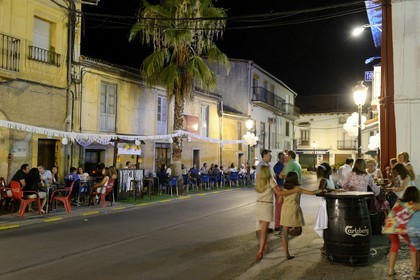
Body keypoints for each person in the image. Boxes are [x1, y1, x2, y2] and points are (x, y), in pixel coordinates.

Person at [278, 171, 321, 260]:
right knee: (297, 230)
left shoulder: (284, 188)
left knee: (284, 232)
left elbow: (279, 201)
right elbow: (312, 193)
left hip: (285, 209)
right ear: (295, 179)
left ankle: (286, 253)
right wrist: (322, 190)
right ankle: (288, 248)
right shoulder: (298, 188)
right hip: (294, 209)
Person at [384, 186, 419, 278]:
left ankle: (390, 270)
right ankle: (415, 270)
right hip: (402, 226)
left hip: (390, 225)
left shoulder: (399, 201)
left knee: (395, 245)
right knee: (413, 245)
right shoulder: (415, 204)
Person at [273, 152, 286, 234]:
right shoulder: (277, 166)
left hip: (283, 187)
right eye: (282, 157)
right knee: (279, 207)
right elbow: (280, 176)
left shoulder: (283, 165)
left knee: (282, 207)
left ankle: (281, 224)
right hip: (279, 187)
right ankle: (277, 225)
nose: (283, 158)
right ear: (279, 157)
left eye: (284, 157)